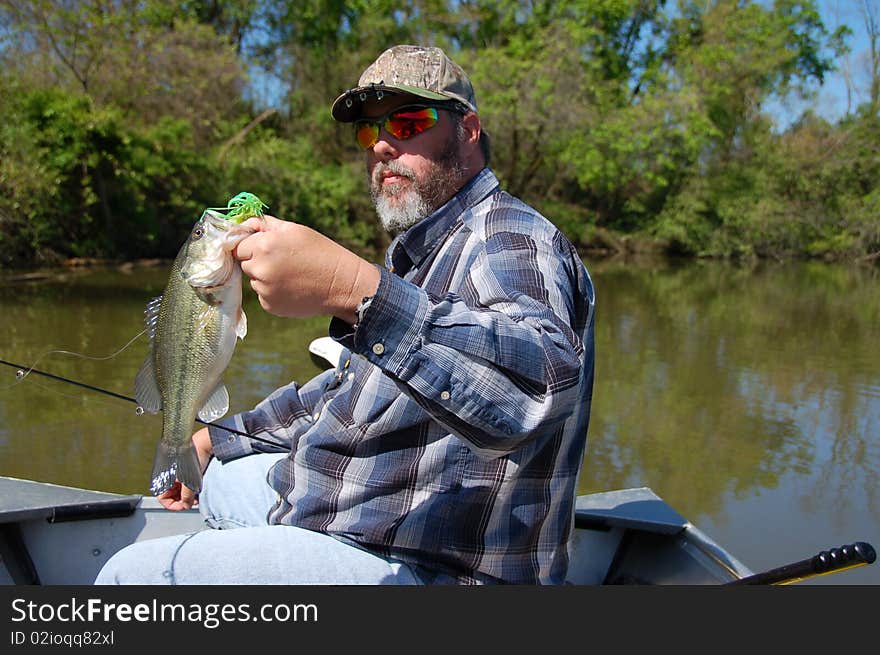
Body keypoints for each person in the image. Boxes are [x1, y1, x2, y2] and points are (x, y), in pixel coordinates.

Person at [96, 44, 595, 585]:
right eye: (368, 131)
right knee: (218, 478)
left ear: (468, 130)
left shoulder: (509, 239)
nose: (382, 145)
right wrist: (218, 438)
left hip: (440, 568)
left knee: (127, 579)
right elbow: (347, 390)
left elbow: (539, 387)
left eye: (408, 121)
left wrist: (351, 288)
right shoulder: (420, 253)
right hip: (366, 515)